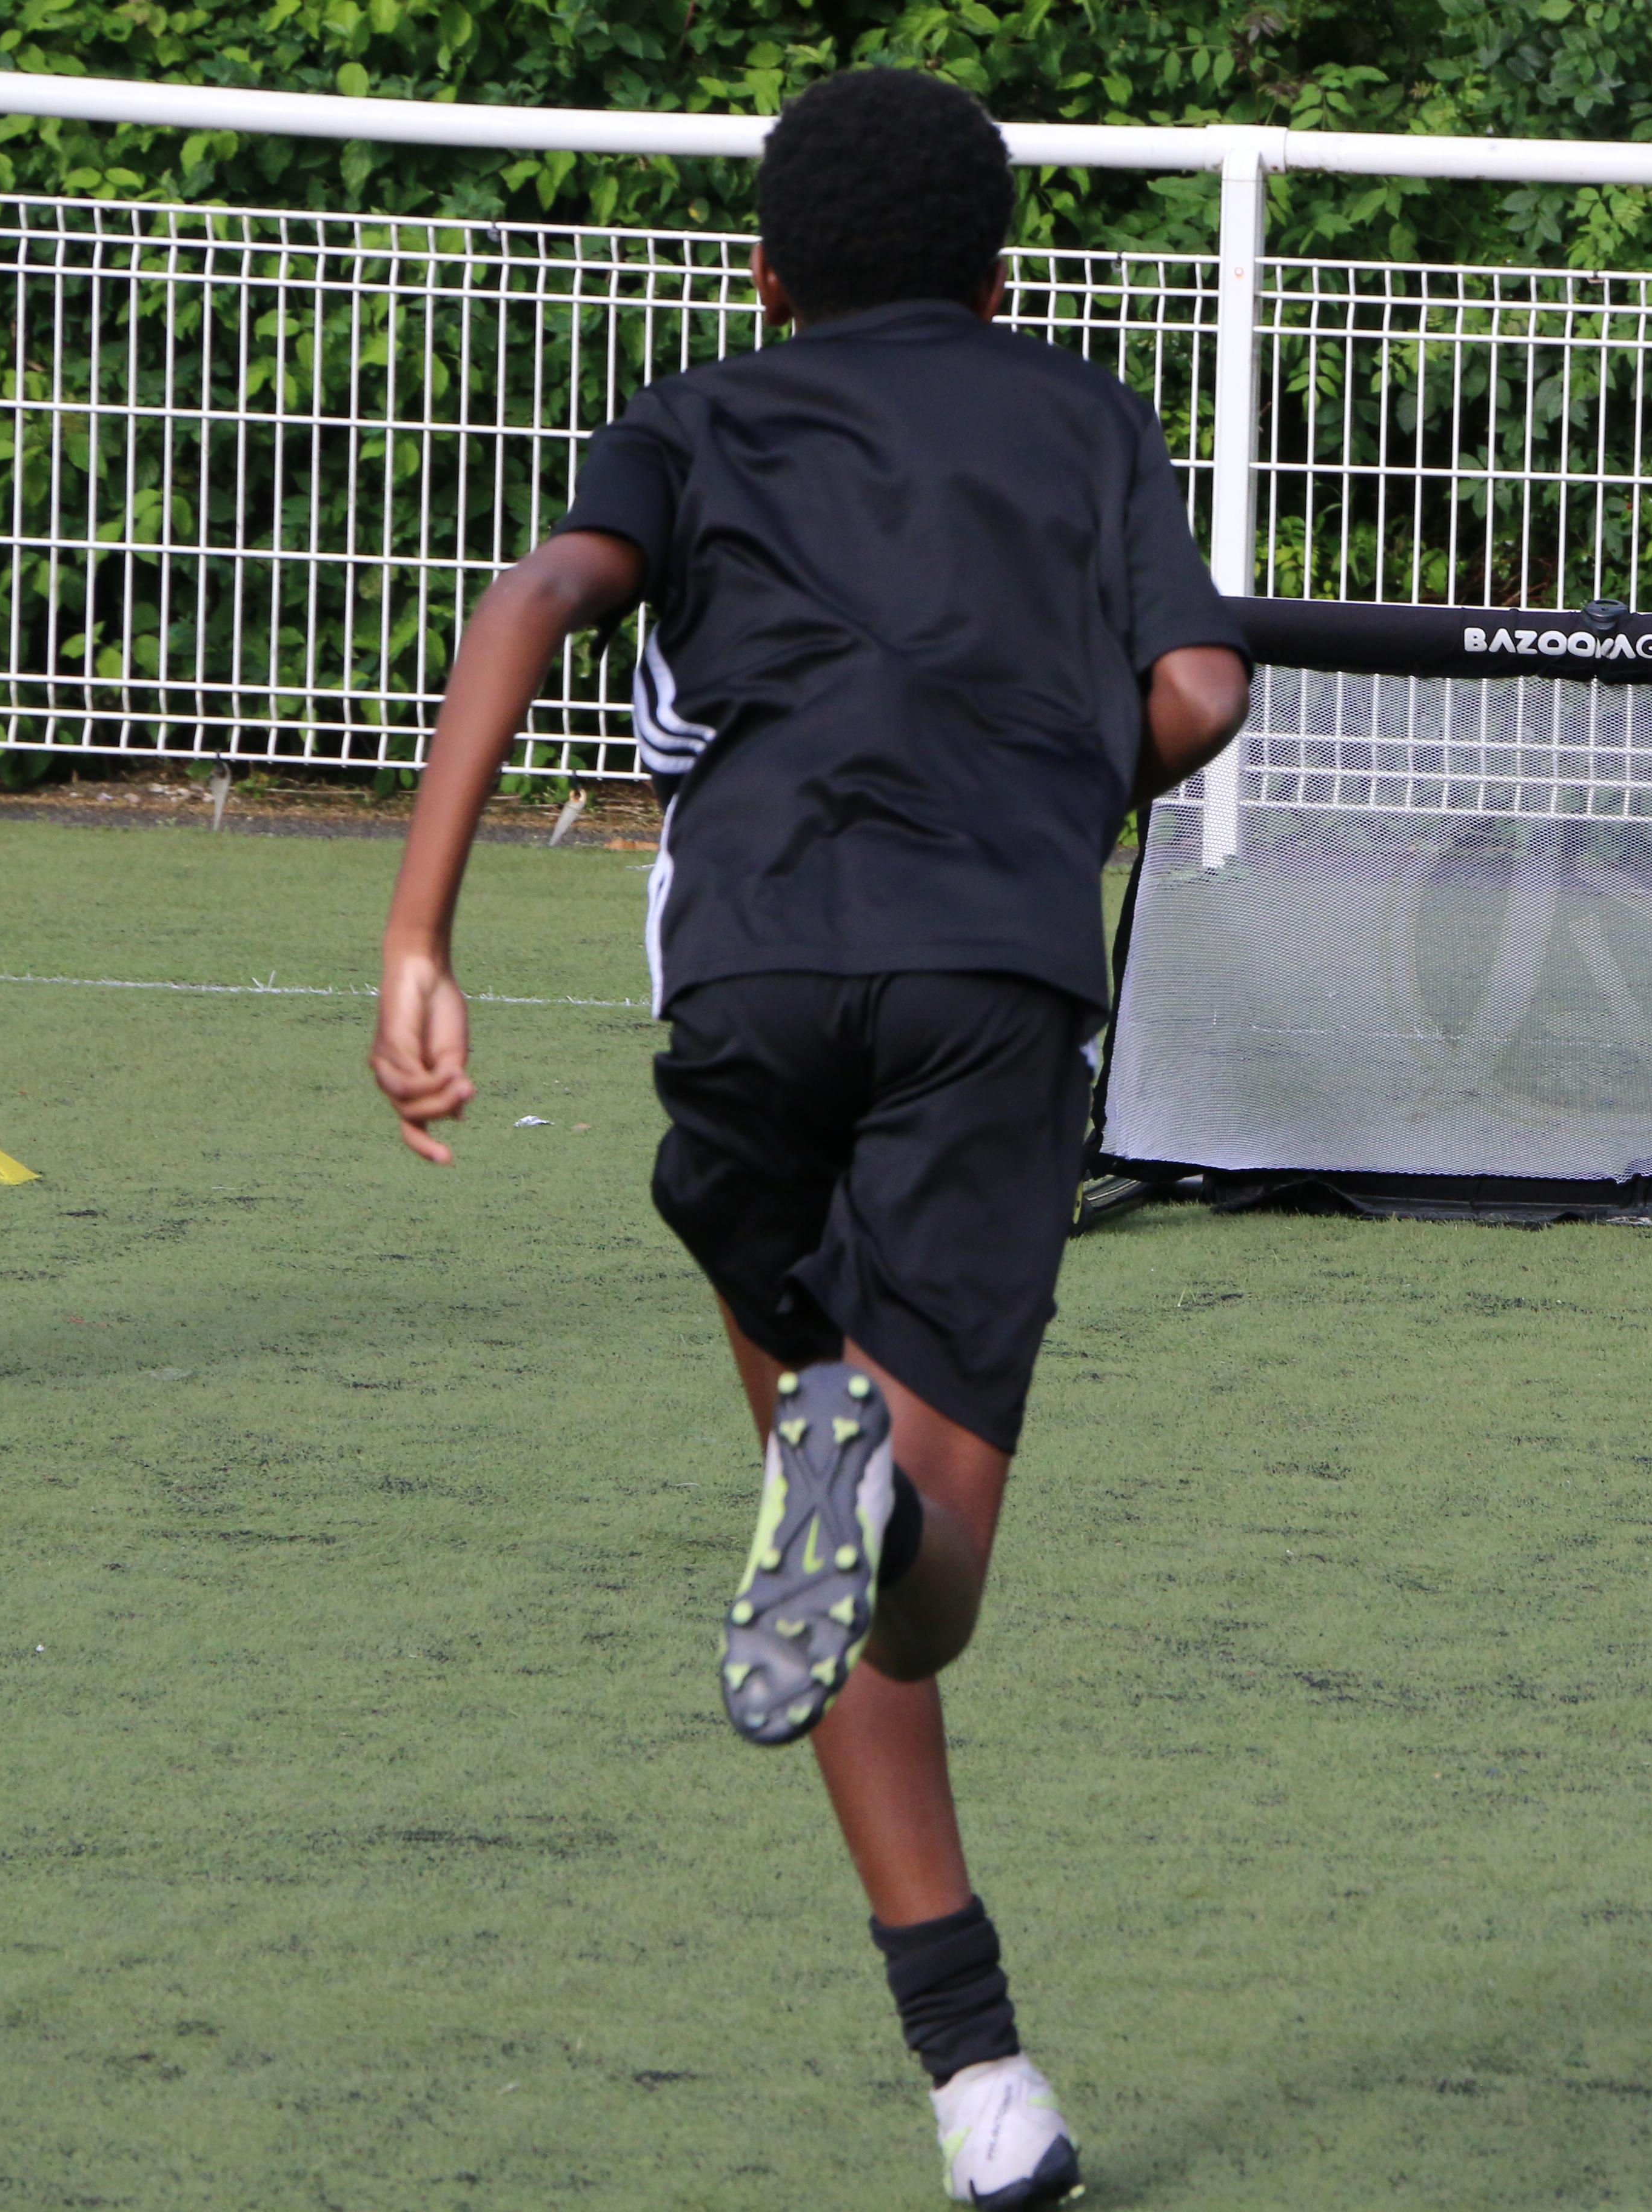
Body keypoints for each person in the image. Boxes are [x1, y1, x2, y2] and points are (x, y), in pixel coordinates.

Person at [366, 67, 1248, 2210]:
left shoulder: (697, 412)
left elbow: (529, 605)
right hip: (989, 985)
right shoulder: (1085, 414)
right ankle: (984, 2080)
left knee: (816, 1504)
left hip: (748, 977)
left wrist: (418, 933)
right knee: (912, 1609)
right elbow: (1204, 695)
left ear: (763, 279)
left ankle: (976, 2082)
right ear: (998, 273)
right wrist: (1056, 786)